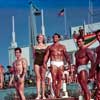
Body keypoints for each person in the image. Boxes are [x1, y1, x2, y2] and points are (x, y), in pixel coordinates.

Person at [43, 33, 70, 98]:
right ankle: (56, 94)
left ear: (59, 38)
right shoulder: (50, 47)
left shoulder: (63, 46)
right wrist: (44, 63)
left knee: (60, 79)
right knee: (54, 79)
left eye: (56, 37)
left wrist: (69, 63)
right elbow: (46, 56)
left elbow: (66, 55)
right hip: (53, 63)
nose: (54, 38)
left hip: (61, 63)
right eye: (54, 37)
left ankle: (57, 92)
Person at [33, 34, 47, 99]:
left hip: (43, 63)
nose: (39, 38)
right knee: (38, 78)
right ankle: (38, 94)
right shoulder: (34, 47)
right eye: (38, 37)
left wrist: (45, 63)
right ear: (37, 38)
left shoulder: (46, 46)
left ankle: (43, 94)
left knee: (43, 78)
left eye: (41, 37)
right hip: (37, 62)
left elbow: (47, 56)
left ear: (43, 38)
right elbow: (34, 56)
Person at [94, 30, 100, 100]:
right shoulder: (97, 48)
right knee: (98, 85)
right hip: (98, 69)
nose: (98, 38)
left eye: (99, 36)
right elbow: (96, 61)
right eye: (97, 36)